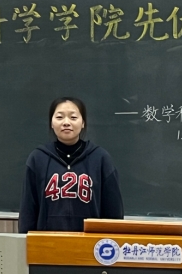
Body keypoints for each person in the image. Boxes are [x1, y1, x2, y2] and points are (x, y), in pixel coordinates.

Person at [18, 96, 123, 233]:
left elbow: (113, 211)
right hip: (47, 241)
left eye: (73, 117)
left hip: (90, 242)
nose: (66, 123)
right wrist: (25, 240)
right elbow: (28, 210)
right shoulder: (37, 159)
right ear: (51, 123)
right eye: (59, 117)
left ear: (83, 122)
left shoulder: (100, 158)